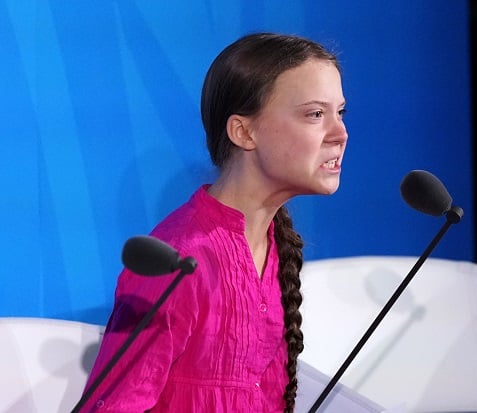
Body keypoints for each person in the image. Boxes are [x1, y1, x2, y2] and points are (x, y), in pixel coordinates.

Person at [78, 32, 348, 412]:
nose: (340, 134)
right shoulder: (181, 260)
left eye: (340, 112)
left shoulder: (275, 246)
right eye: (315, 114)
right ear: (243, 132)